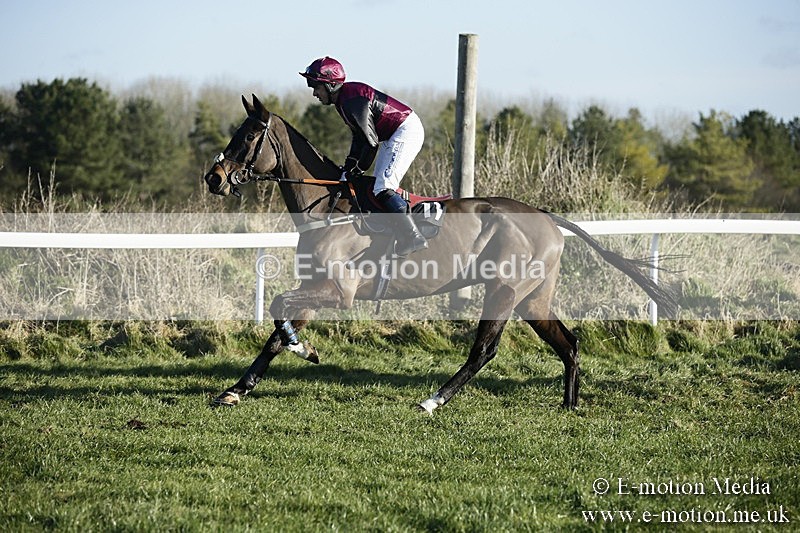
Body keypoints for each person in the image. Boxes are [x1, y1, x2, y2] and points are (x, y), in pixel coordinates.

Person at [300, 56, 428, 256]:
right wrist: (350, 166)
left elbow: (370, 143)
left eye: (316, 86)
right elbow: (359, 137)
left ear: (331, 85)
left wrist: (357, 170)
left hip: (404, 131)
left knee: (383, 187)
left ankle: (413, 236)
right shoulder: (344, 101)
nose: (315, 93)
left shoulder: (351, 100)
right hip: (392, 134)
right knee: (377, 187)